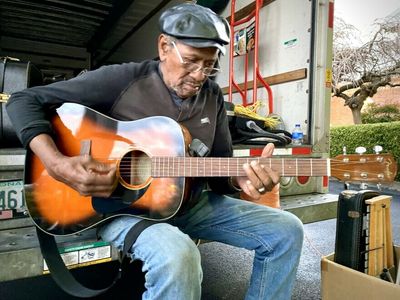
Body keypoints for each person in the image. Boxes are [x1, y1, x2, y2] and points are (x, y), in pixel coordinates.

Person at [6, 3, 303, 299]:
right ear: (164, 47)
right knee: (178, 254)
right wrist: (57, 163)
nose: (200, 74)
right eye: (190, 61)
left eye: (210, 64)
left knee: (287, 230)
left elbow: (219, 171)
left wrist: (241, 181)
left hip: (190, 204)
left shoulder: (212, 96)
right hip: (124, 210)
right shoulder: (122, 79)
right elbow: (22, 101)